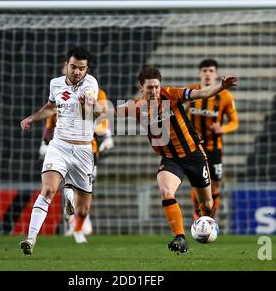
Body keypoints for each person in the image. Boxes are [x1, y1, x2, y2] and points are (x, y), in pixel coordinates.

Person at [94, 66, 238, 254]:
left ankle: (205, 226)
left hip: (194, 155)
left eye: (156, 87)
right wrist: (91, 106)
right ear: (141, 88)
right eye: (149, 88)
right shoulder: (136, 107)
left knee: (207, 204)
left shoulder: (171, 94)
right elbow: (109, 110)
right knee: (165, 190)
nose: (154, 91)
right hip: (171, 159)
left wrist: (221, 86)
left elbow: (202, 93)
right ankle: (180, 237)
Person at [19, 47, 99, 255]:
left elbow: (90, 107)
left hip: (83, 151)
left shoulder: (90, 84)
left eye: (81, 68)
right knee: (47, 190)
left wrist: (87, 103)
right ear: (66, 65)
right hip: (59, 145)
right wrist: (31, 118)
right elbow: (50, 107)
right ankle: (30, 239)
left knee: (83, 210)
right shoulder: (55, 83)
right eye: (73, 67)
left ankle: (69, 193)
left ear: (86, 69)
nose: (76, 72)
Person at [39, 87, 114, 238]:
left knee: (83, 188)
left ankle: (78, 223)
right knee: (70, 185)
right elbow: (51, 120)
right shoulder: (59, 90)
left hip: (88, 149)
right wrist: (44, 142)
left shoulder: (98, 92)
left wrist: (107, 135)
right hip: (63, 147)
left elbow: (102, 116)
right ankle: (77, 225)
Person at [186, 59, 238, 222]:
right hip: (194, 147)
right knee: (198, 184)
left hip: (214, 148)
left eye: (211, 71)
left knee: (215, 185)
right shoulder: (191, 91)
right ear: (200, 73)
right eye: (204, 71)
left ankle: (209, 219)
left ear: (216, 74)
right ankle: (197, 216)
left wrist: (222, 129)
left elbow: (234, 121)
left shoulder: (225, 96)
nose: (207, 74)